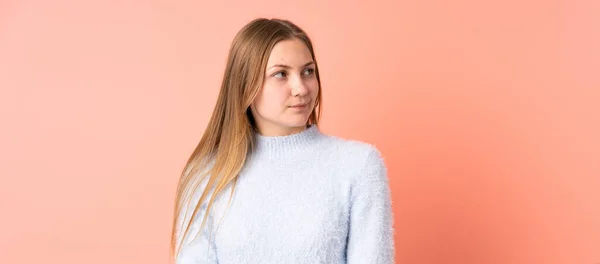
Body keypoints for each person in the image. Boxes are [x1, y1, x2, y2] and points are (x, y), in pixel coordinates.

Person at [170, 17, 395, 264]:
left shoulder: (358, 165)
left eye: (308, 71)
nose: (301, 88)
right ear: (245, 84)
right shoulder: (206, 175)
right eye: (280, 74)